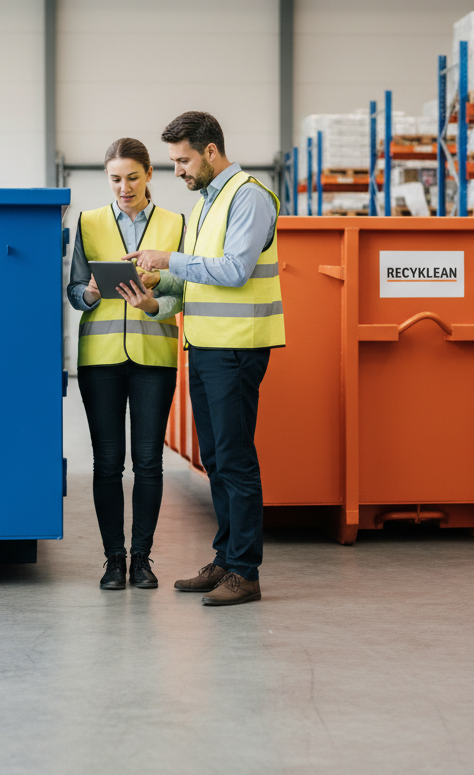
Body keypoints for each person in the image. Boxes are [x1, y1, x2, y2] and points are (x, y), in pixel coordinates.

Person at [124, 111, 285, 607]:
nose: (178, 171)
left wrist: (166, 259)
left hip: (238, 347)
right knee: (215, 459)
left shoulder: (249, 197)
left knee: (236, 459)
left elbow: (234, 270)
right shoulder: (206, 205)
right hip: (208, 345)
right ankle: (226, 559)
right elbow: (199, 278)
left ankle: (246, 571)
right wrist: (157, 291)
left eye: (183, 161)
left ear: (210, 151)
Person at [67, 138, 185, 591]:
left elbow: (183, 290)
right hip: (100, 360)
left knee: (149, 463)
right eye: (115, 178)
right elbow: (76, 291)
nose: (124, 187)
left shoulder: (175, 224)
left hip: (154, 355)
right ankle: (113, 560)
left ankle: (142, 560)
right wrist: (92, 293)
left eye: (132, 177)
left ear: (149, 174)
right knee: (107, 463)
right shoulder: (90, 221)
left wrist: (154, 302)